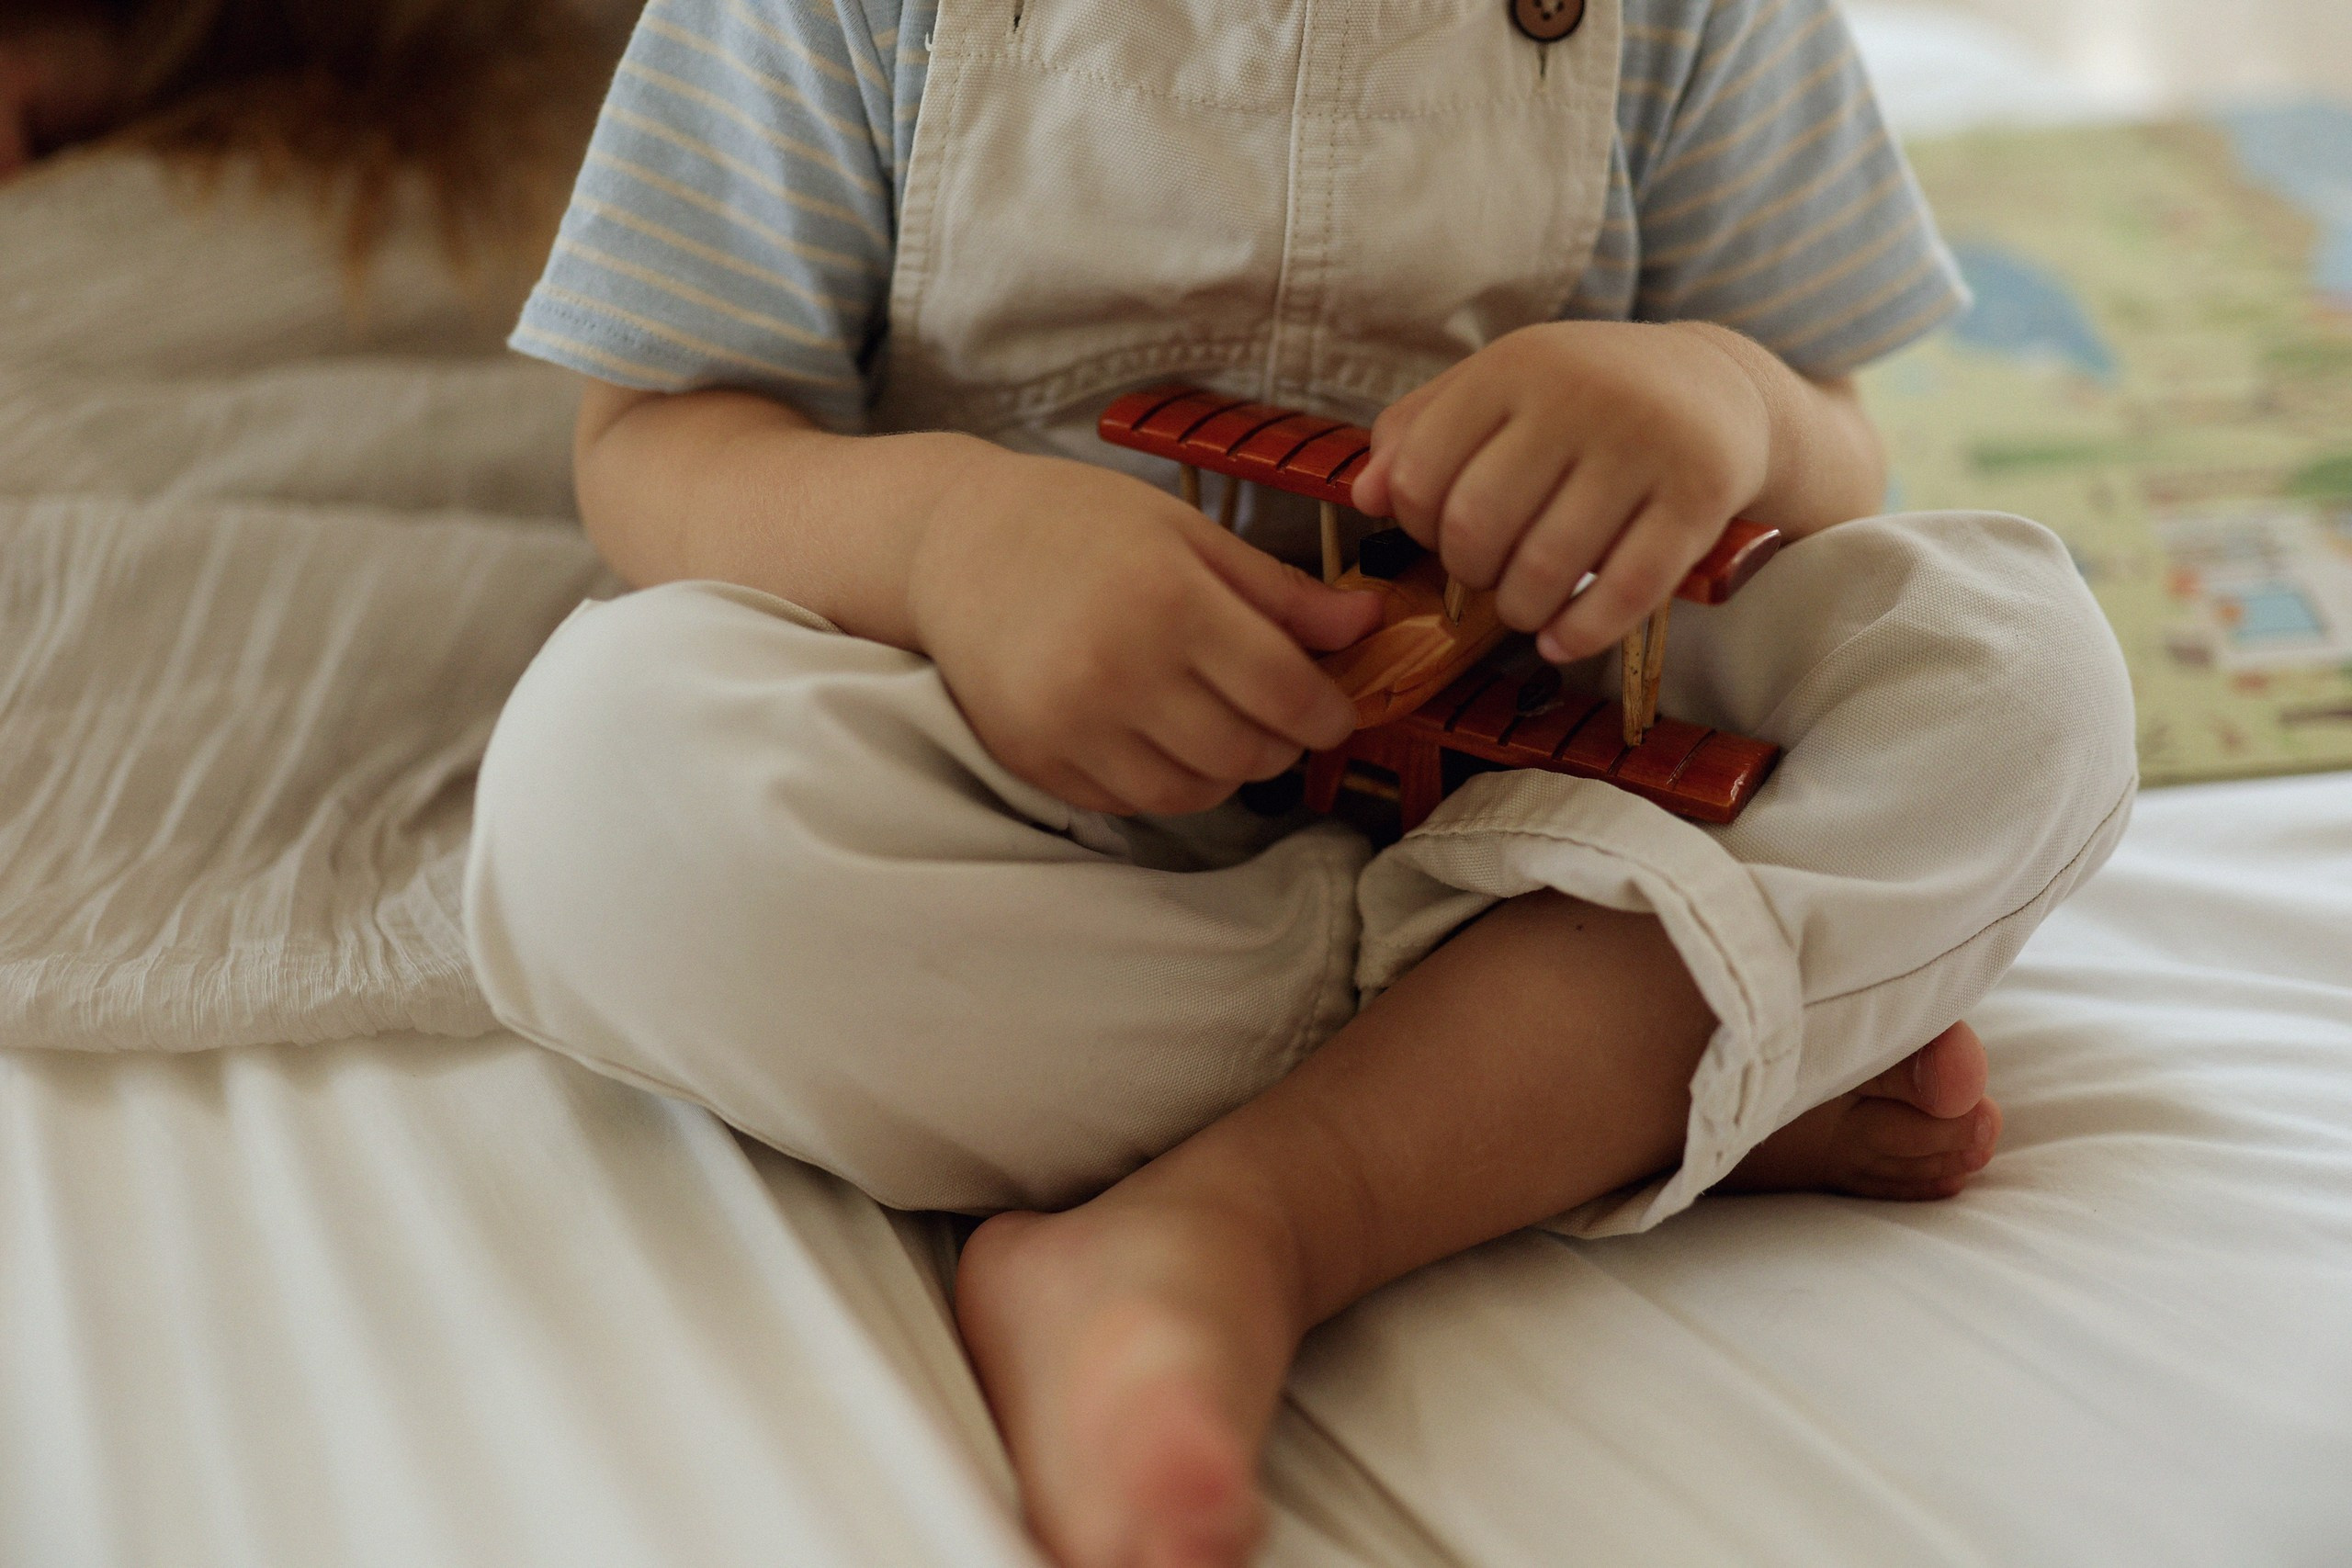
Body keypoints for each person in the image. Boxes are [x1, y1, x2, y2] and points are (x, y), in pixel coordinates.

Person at [465, 2, 2140, 1564]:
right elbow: (659, 438)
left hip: (1550, 744)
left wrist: (1725, 395)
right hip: (1023, 787)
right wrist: (948, 539)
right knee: (600, 794)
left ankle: (1278, 1196)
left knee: (2018, 669)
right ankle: (1596, 1073)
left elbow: (1834, 442)